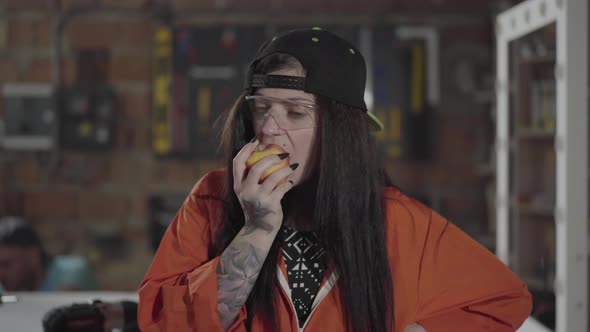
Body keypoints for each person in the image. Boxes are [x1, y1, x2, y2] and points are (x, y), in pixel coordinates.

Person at [138, 28, 532, 331]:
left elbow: (502, 300)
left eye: (295, 112)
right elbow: (161, 322)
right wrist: (257, 230)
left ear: (339, 131)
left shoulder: (400, 220)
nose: (270, 130)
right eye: (261, 109)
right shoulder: (210, 199)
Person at [0, 216, 98, 292]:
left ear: (33, 256)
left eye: (7, 265)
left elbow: (61, 309)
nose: (1, 274)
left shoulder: (72, 271)